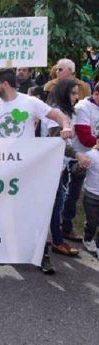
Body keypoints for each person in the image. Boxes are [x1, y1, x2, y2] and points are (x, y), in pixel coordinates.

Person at [0, 68, 74, 274]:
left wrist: (66, 126)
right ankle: (8, 250)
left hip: (28, 168)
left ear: (5, 84)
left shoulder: (30, 102)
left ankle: (42, 254)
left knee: (35, 211)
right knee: (7, 210)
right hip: (3, 169)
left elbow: (57, 115)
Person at [45, 79, 87, 256]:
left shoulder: (69, 112)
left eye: (77, 93)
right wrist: (77, 155)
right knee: (56, 204)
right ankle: (56, 241)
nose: (76, 97)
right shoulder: (56, 112)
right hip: (48, 166)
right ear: (63, 93)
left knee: (56, 204)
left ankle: (54, 238)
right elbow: (57, 139)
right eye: (73, 93)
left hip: (59, 164)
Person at [73, 82, 99, 254]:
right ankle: (87, 238)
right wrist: (81, 165)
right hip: (91, 195)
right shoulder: (84, 107)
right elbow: (84, 136)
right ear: (96, 94)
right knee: (92, 220)